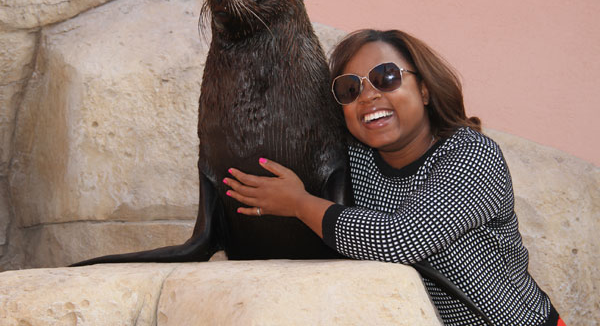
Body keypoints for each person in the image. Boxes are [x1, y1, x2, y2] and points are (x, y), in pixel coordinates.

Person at [224, 29, 565, 326]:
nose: (369, 95)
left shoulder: (471, 155)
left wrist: (299, 203)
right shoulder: (355, 157)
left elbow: (400, 239)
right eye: (349, 89)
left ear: (426, 90)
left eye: (387, 77)